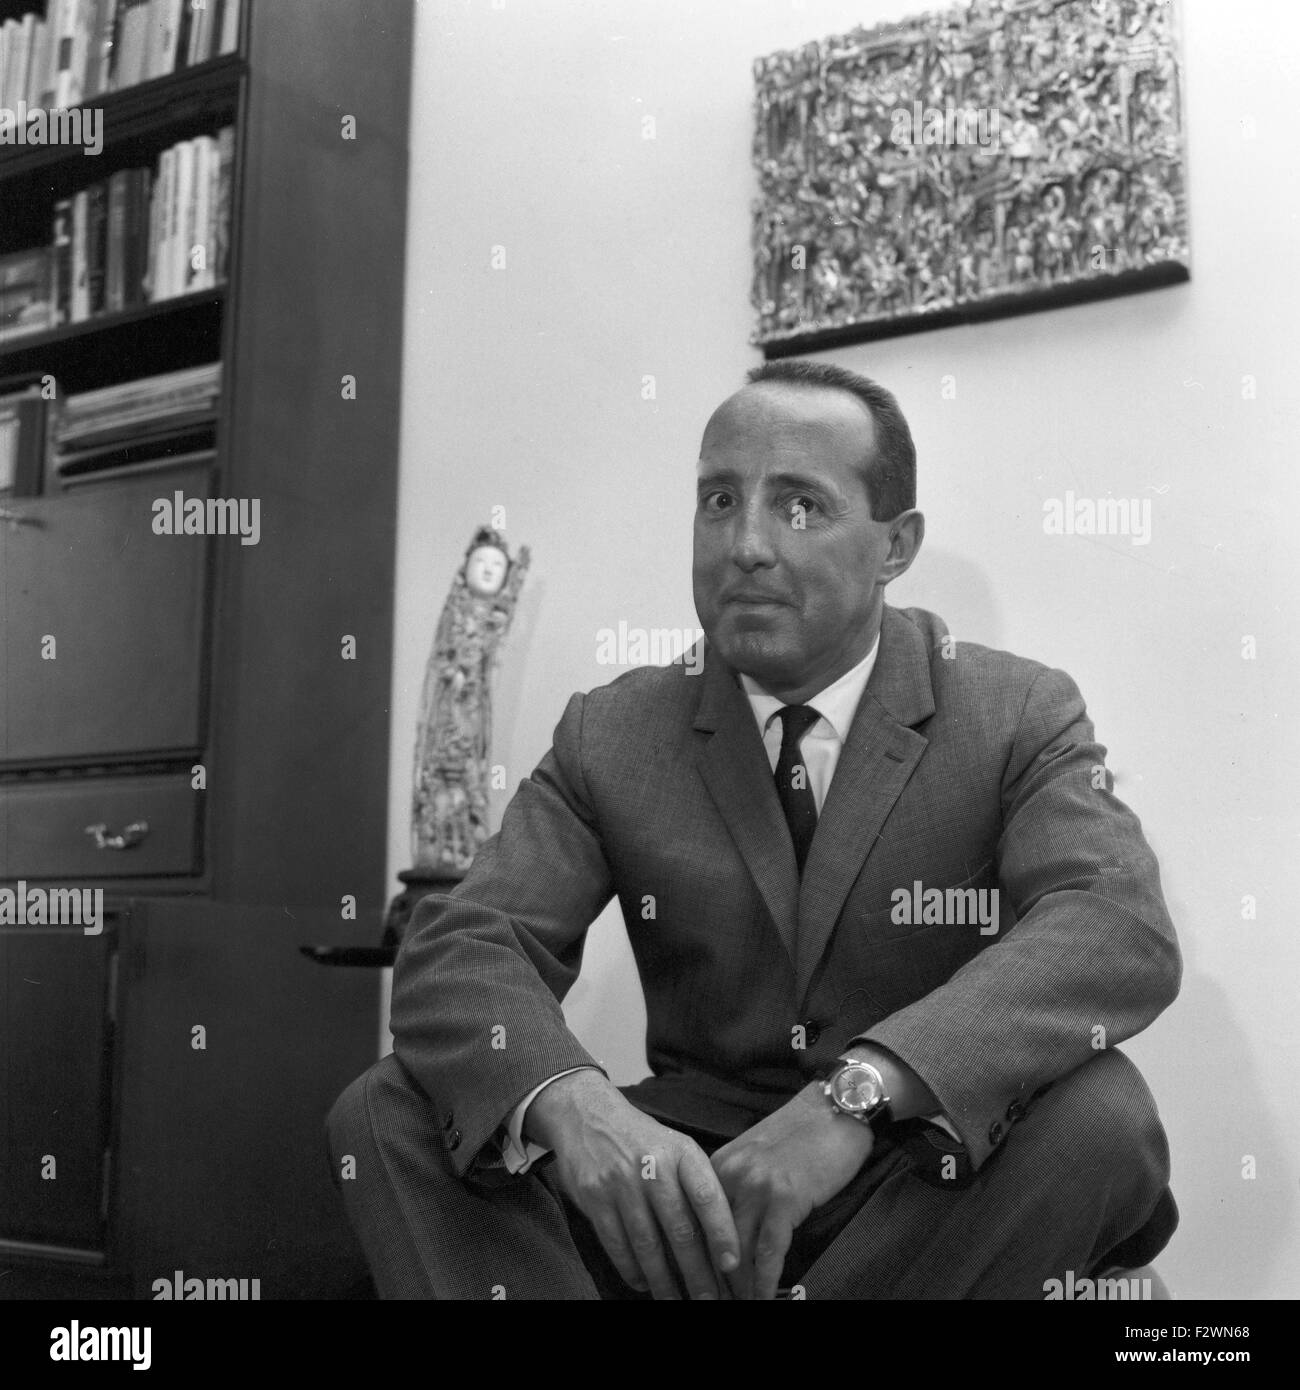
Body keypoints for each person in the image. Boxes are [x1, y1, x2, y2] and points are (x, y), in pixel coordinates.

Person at [328, 358, 1181, 1300]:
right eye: (720, 501)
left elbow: (1117, 926)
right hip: (692, 1189)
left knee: (1103, 1116)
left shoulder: (1015, 710)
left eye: (800, 507)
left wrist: (857, 1094)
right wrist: (573, 1105)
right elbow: (463, 943)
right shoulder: (613, 730)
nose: (744, 545)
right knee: (391, 1107)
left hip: (911, 1171)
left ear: (895, 547)